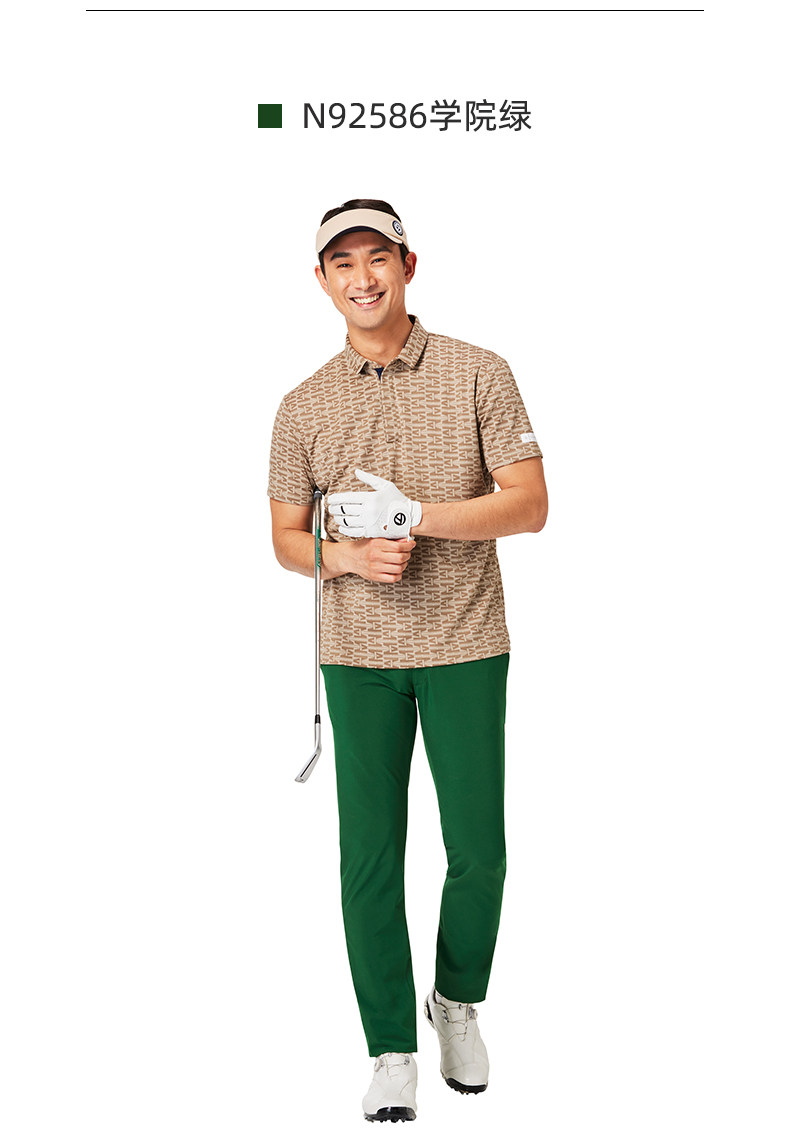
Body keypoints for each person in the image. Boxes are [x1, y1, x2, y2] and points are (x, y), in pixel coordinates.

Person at [268, 198, 548, 1123]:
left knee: (480, 850)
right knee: (370, 858)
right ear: (321, 281)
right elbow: (285, 538)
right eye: (342, 263)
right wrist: (348, 556)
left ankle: (456, 1001)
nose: (363, 277)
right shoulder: (302, 405)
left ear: (408, 264)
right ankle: (390, 1046)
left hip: (466, 641)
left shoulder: (478, 372)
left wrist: (417, 517)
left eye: (377, 257)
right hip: (357, 656)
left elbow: (530, 503)